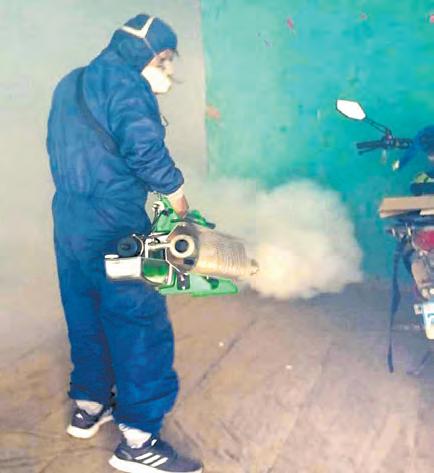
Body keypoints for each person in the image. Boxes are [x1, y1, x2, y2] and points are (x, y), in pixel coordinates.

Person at [46, 13, 202, 473]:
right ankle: (138, 442)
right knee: (137, 321)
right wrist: (180, 205)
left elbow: (56, 145)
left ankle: (89, 406)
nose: (168, 70)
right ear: (149, 54)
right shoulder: (128, 87)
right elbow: (145, 152)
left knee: (84, 310)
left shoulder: (71, 83)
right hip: (115, 223)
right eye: (165, 60)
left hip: (68, 218)